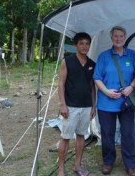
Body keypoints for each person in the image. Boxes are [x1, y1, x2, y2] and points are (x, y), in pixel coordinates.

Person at [93, 26, 135, 176]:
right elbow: (97, 77)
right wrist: (106, 91)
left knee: (128, 134)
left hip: (126, 102)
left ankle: (130, 165)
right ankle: (108, 162)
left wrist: (131, 87)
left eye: (121, 36)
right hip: (106, 103)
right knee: (107, 134)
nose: (118, 39)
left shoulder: (132, 55)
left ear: (124, 37)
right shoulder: (104, 56)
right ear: (111, 38)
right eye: (115, 36)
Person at [57, 32, 96, 176]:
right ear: (76, 45)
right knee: (65, 137)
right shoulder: (67, 61)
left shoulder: (92, 64)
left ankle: (77, 165)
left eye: (87, 44)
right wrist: (62, 104)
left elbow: (92, 87)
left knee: (81, 136)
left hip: (86, 106)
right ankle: (61, 168)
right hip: (71, 106)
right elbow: (61, 83)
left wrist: (93, 106)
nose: (84, 46)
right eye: (81, 43)